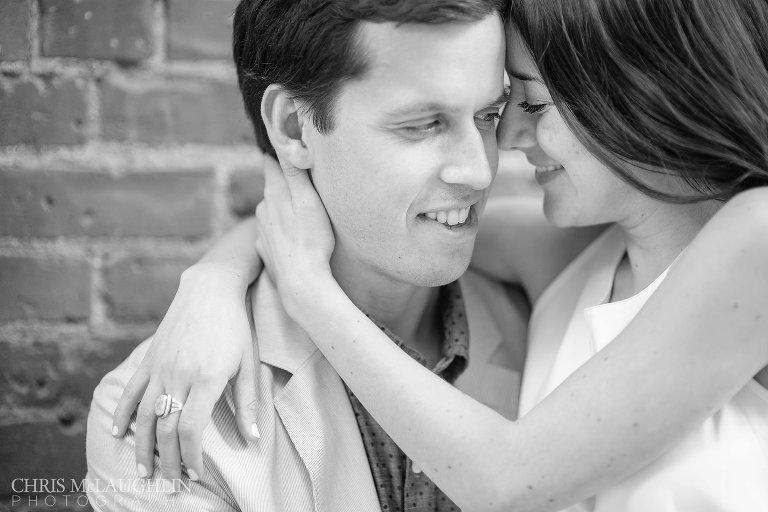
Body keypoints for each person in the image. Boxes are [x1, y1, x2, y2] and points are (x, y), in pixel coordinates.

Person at [108, 0, 768, 511]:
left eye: (524, 104)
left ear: (646, 89)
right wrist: (211, 282)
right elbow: (347, 228)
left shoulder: (757, 234)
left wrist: (310, 292)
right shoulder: (575, 256)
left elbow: (508, 480)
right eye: (426, 123)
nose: (496, 154)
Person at [86, 1, 562, 510]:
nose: (479, 172)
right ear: (294, 128)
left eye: (488, 115)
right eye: (424, 124)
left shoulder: (550, 323)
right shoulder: (166, 422)